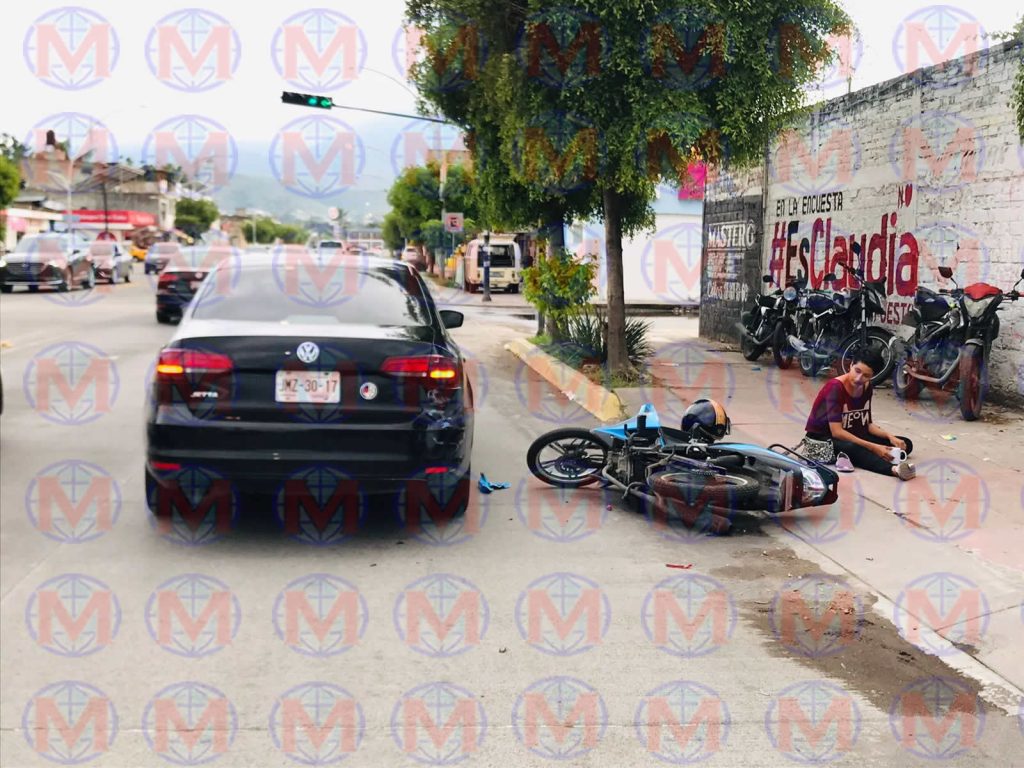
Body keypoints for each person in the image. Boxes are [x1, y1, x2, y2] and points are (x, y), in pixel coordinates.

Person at [803, 349, 916, 480]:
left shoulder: (867, 387)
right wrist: (874, 447)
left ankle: (861, 456)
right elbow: (837, 432)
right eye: (857, 371)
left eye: (866, 376)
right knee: (855, 448)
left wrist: (890, 436)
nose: (859, 378)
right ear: (851, 365)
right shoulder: (835, 387)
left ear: (872, 376)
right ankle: (894, 470)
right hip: (823, 440)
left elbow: (867, 424)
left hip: (853, 434)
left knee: (904, 444)